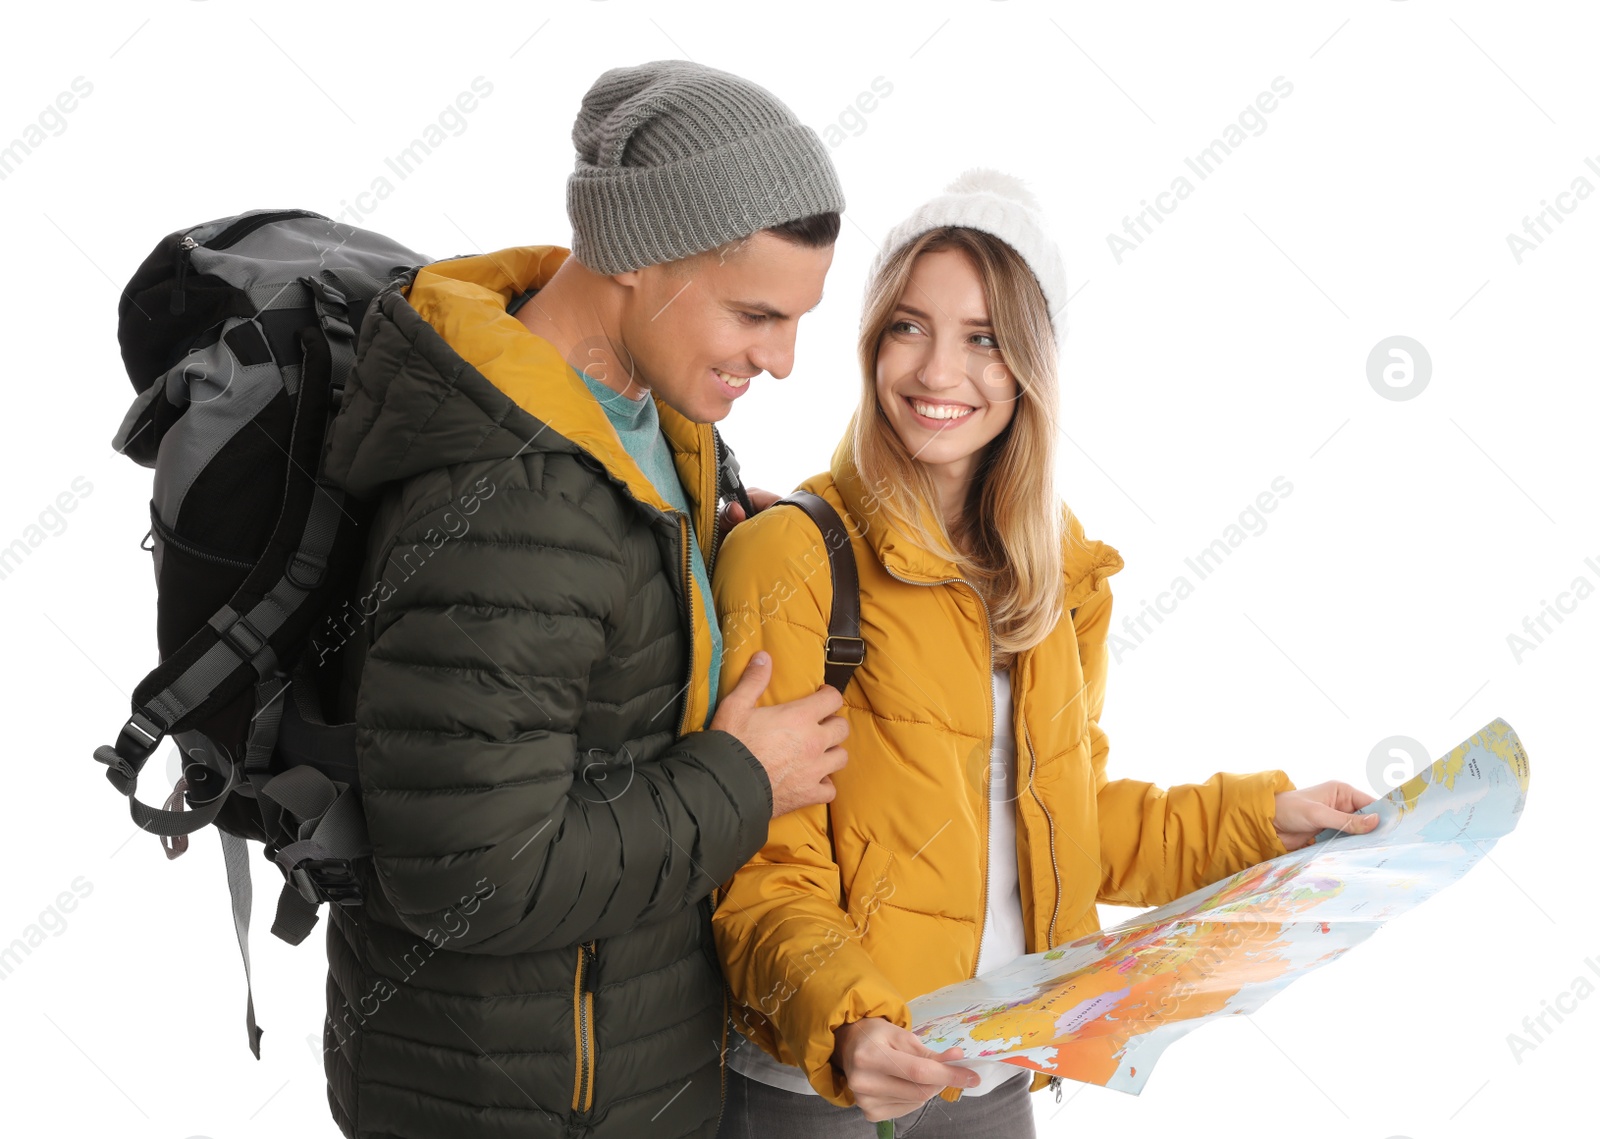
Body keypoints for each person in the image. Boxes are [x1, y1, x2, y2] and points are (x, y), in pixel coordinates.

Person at [708, 168, 1379, 1137]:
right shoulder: (793, 556)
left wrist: (1261, 820)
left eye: (983, 338)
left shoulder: (1054, 580)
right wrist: (850, 1022)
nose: (939, 372)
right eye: (908, 324)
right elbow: (759, 862)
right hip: (823, 1087)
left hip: (995, 1075)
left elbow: (1064, 827)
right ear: (868, 343)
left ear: (1031, 363)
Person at [317, 60, 854, 1139]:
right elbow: (477, 873)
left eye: (797, 319)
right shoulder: (504, 502)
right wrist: (744, 779)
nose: (785, 361)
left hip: (623, 1073)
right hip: (508, 1102)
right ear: (640, 260)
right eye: (757, 314)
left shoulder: (652, 421)